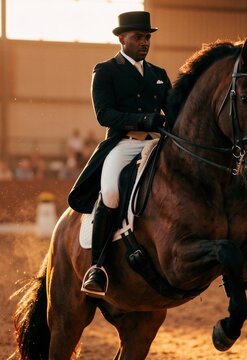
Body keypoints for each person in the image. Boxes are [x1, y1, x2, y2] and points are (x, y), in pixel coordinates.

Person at [67, 11, 172, 297]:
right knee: (111, 191)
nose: (144, 42)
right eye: (139, 37)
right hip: (124, 144)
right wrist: (144, 120)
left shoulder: (159, 75)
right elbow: (104, 114)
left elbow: (174, 113)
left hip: (157, 144)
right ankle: (97, 267)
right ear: (122, 38)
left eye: (147, 37)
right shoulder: (105, 70)